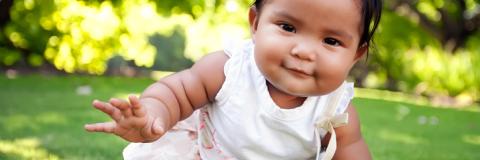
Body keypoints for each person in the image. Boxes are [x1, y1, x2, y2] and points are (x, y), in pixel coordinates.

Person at [84, 0, 382, 159]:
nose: (303, 51)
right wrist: (152, 116)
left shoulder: (336, 111)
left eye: (330, 41)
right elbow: (177, 93)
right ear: (255, 23)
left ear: (355, 55)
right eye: (288, 27)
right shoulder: (229, 69)